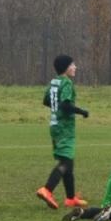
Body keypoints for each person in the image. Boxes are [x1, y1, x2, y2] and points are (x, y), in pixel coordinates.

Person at [36, 54, 90, 210]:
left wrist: (56, 109)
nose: (75, 67)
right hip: (64, 128)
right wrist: (82, 111)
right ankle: (47, 189)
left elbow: (46, 100)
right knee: (65, 163)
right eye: (72, 65)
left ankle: (70, 198)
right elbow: (66, 106)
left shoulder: (55, 81)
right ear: (66, 67)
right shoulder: (66, 83)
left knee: (68, 162)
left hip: (55, 126)